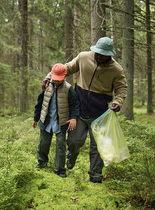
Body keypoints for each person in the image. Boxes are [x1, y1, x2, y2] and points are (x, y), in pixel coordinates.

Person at [42, 37, 127, 183]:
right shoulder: (83, 57)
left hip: (100, 114)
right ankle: (71, 156)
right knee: (75, 141)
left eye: (103, 55)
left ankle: (95, 175)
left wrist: (118, 102)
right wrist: (50, 77)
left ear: (110, 54)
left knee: (97, 147)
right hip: (78, 110)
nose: (100, 56)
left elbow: (121, 88)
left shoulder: (116, 70)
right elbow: (66, 68)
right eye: (98, 53)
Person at [33, 63, 80, 178]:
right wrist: (36, 118)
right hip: (46, 120)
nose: (57, 81)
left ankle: (60, 169)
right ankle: (42, 162)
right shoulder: (46, 86)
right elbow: (39, 103)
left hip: (61, 123)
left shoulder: (68, 89)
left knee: (60, 146)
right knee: (43, 143)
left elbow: (75, 105)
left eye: (59, 80)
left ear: (64, 77)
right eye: (55, 79)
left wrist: (73, 118)